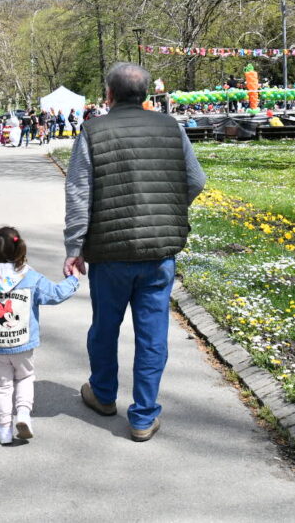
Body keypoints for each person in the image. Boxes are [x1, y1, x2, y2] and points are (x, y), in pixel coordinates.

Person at [63, 62, 206, 442]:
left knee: (105, 327)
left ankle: (104, 394)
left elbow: (79, 194)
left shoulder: (92, 132)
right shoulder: (171, 127)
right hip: (159, 251)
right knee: (153, 332)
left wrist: (74, 247)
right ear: (145, 95)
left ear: (108, 95)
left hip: (109, 251)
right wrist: (168, 208)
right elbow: (196, 180)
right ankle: (143, 415)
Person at [0, 226, 79, 445]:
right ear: (20, 250)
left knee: (1, 385)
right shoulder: (31, 278)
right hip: (23, 343)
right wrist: (72, 280)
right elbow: (55, 294)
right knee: (25, 377)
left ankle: (3, 428)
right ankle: (24, 414)